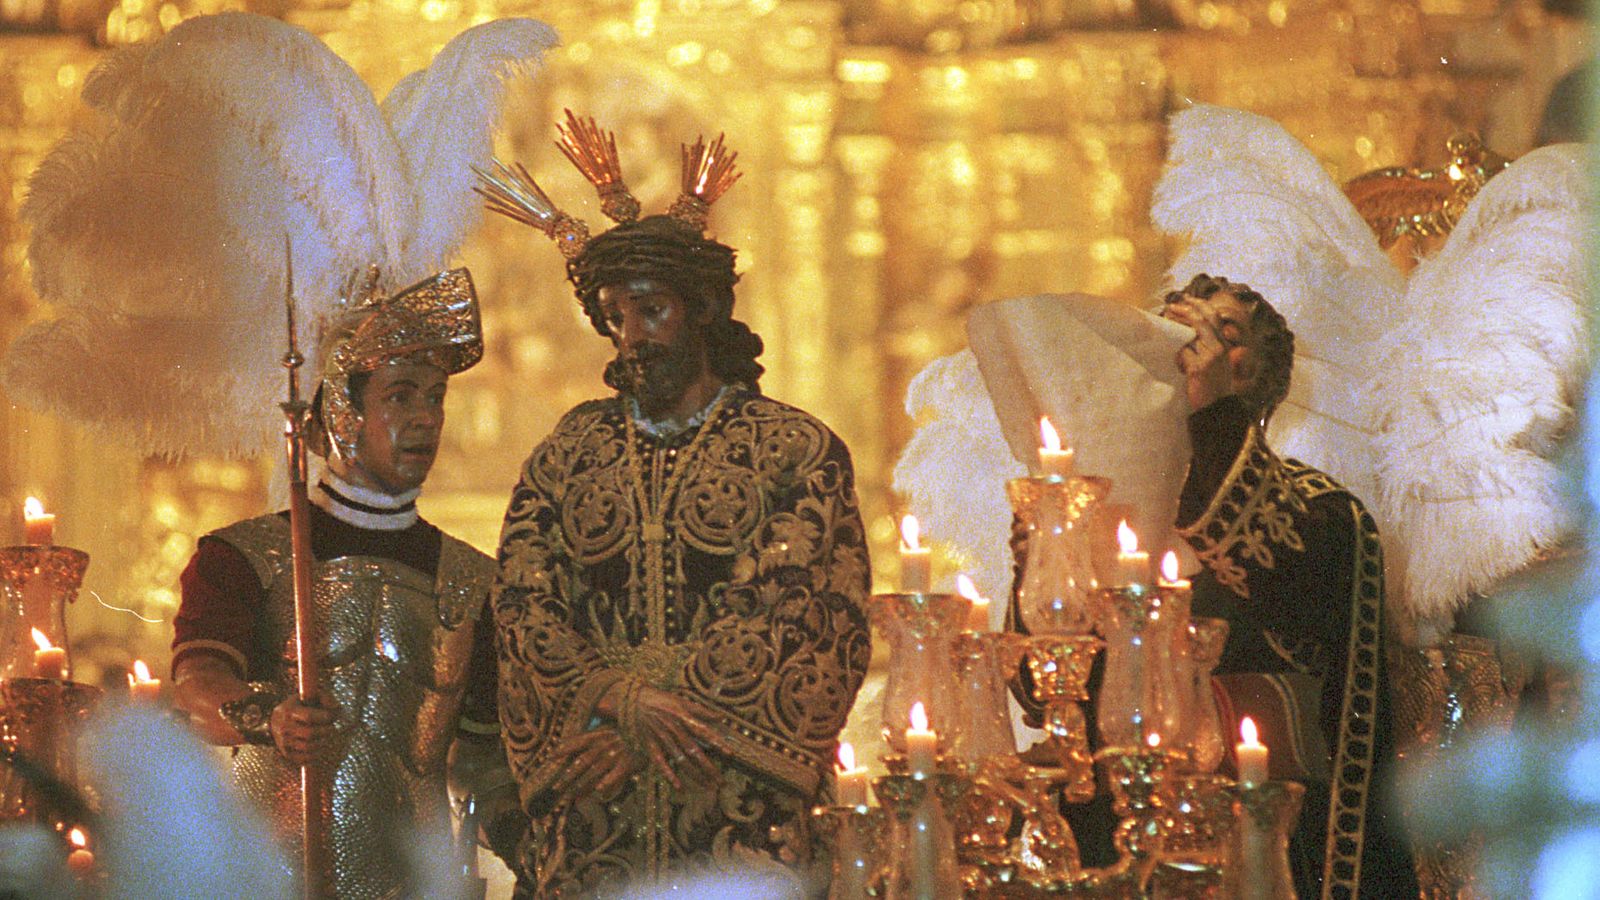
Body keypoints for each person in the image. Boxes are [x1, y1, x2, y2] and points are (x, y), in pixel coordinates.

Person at [480, 119, 872, 897]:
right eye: (616, 315)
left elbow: (804, 608)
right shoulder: (568, 453)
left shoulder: (792, 450)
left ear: (700, 311)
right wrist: (615, 700)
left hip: (733, 792)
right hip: (595, 802)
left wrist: (669, 717)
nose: (631, 337)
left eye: (650, 311)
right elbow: (524, 604)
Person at [169, 269, 520, 897]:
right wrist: (268, 716)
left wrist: (522, 828)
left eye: (435, 397)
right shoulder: (246, 556)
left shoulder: (473, 581)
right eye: (402, 396)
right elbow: (195, 689)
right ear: (341, 409)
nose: (425, 419)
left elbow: (481, 754)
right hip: (265, 879)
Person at [1160, 273, 1415, 900]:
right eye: (1182, 324)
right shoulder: (1106, 502)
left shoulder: (1325, 515)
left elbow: (1280, 576)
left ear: (1264, 384)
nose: (1199, 343)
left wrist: (1215, 413)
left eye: (1228, 335)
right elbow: (1041, 682)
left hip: (1266, 851)